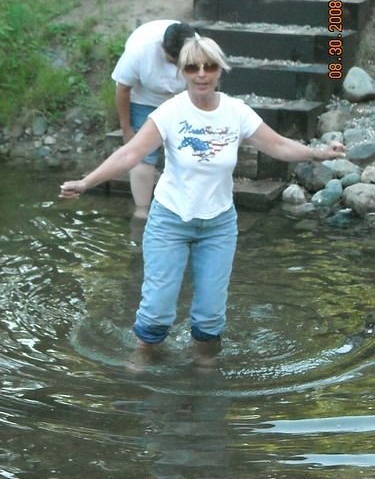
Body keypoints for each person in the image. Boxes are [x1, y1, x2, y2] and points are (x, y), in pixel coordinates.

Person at [61, 36, 345, 363]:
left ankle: (204, 370)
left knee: (210, 316)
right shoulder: (169, 112)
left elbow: (278, 146)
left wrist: (318, 153)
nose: (201, 74)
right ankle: (139, 363)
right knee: (156, 311)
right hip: (170, 220)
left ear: (219, 70)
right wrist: (85, 182)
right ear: (182, 72)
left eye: (208, 66)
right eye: (192, 67)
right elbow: (130, 154)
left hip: (218, 225)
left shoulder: (235, 112)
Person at [111, 19, 196, 219]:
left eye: (181, 63)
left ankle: (185, 207)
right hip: (143, 100)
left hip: (182, 99)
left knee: (188, 150)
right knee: (142, 155)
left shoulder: (199, 47)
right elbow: (123, 89)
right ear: (162, 48)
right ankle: (141, 211)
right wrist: (127, 130)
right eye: (171, 61)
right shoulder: (140, 50)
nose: (176, 67)